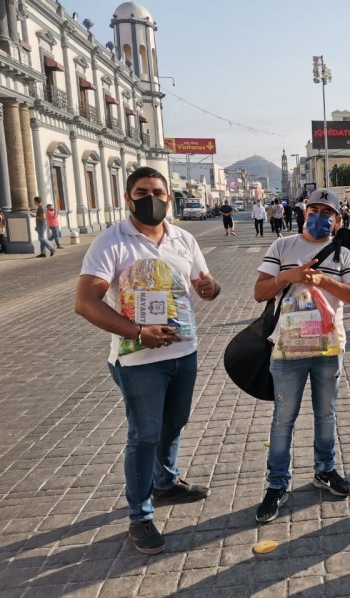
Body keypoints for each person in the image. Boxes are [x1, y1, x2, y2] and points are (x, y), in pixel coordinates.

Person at [74, 167, 221, 554]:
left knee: (174, 423)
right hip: (138, 359)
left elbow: (206, 286)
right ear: (128, 197)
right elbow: (85, 302)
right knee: (144, 436)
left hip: (183, 352)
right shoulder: (111, 242)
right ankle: (140, 516)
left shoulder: (183, 238)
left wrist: (210, 288)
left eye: (158, 191)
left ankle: (166, 482)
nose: (151, 197)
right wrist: (138, 333)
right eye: (142, 191)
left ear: (169, 197)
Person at [253, 188, 350, 523]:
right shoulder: (283, 246)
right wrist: (289, 275)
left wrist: (323, 281)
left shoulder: (342, 255)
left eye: (326, 212)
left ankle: (325, 469)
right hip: (287, 350)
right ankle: (276, 484)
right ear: (305, 213)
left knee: (326, 414)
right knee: (283, 418)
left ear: (337, 220)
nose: (319, 216)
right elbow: (260, 292)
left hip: (329, 348)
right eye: (314, 210)